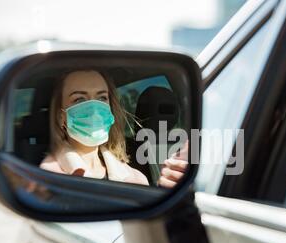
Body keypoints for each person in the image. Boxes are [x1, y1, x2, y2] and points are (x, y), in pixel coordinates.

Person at [40, 69, 188, 188]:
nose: (95, 110)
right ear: (61, 117)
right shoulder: (47, 178)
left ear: (110, 109)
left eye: (102, 98)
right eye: (79, 99)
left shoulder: (136, 179)